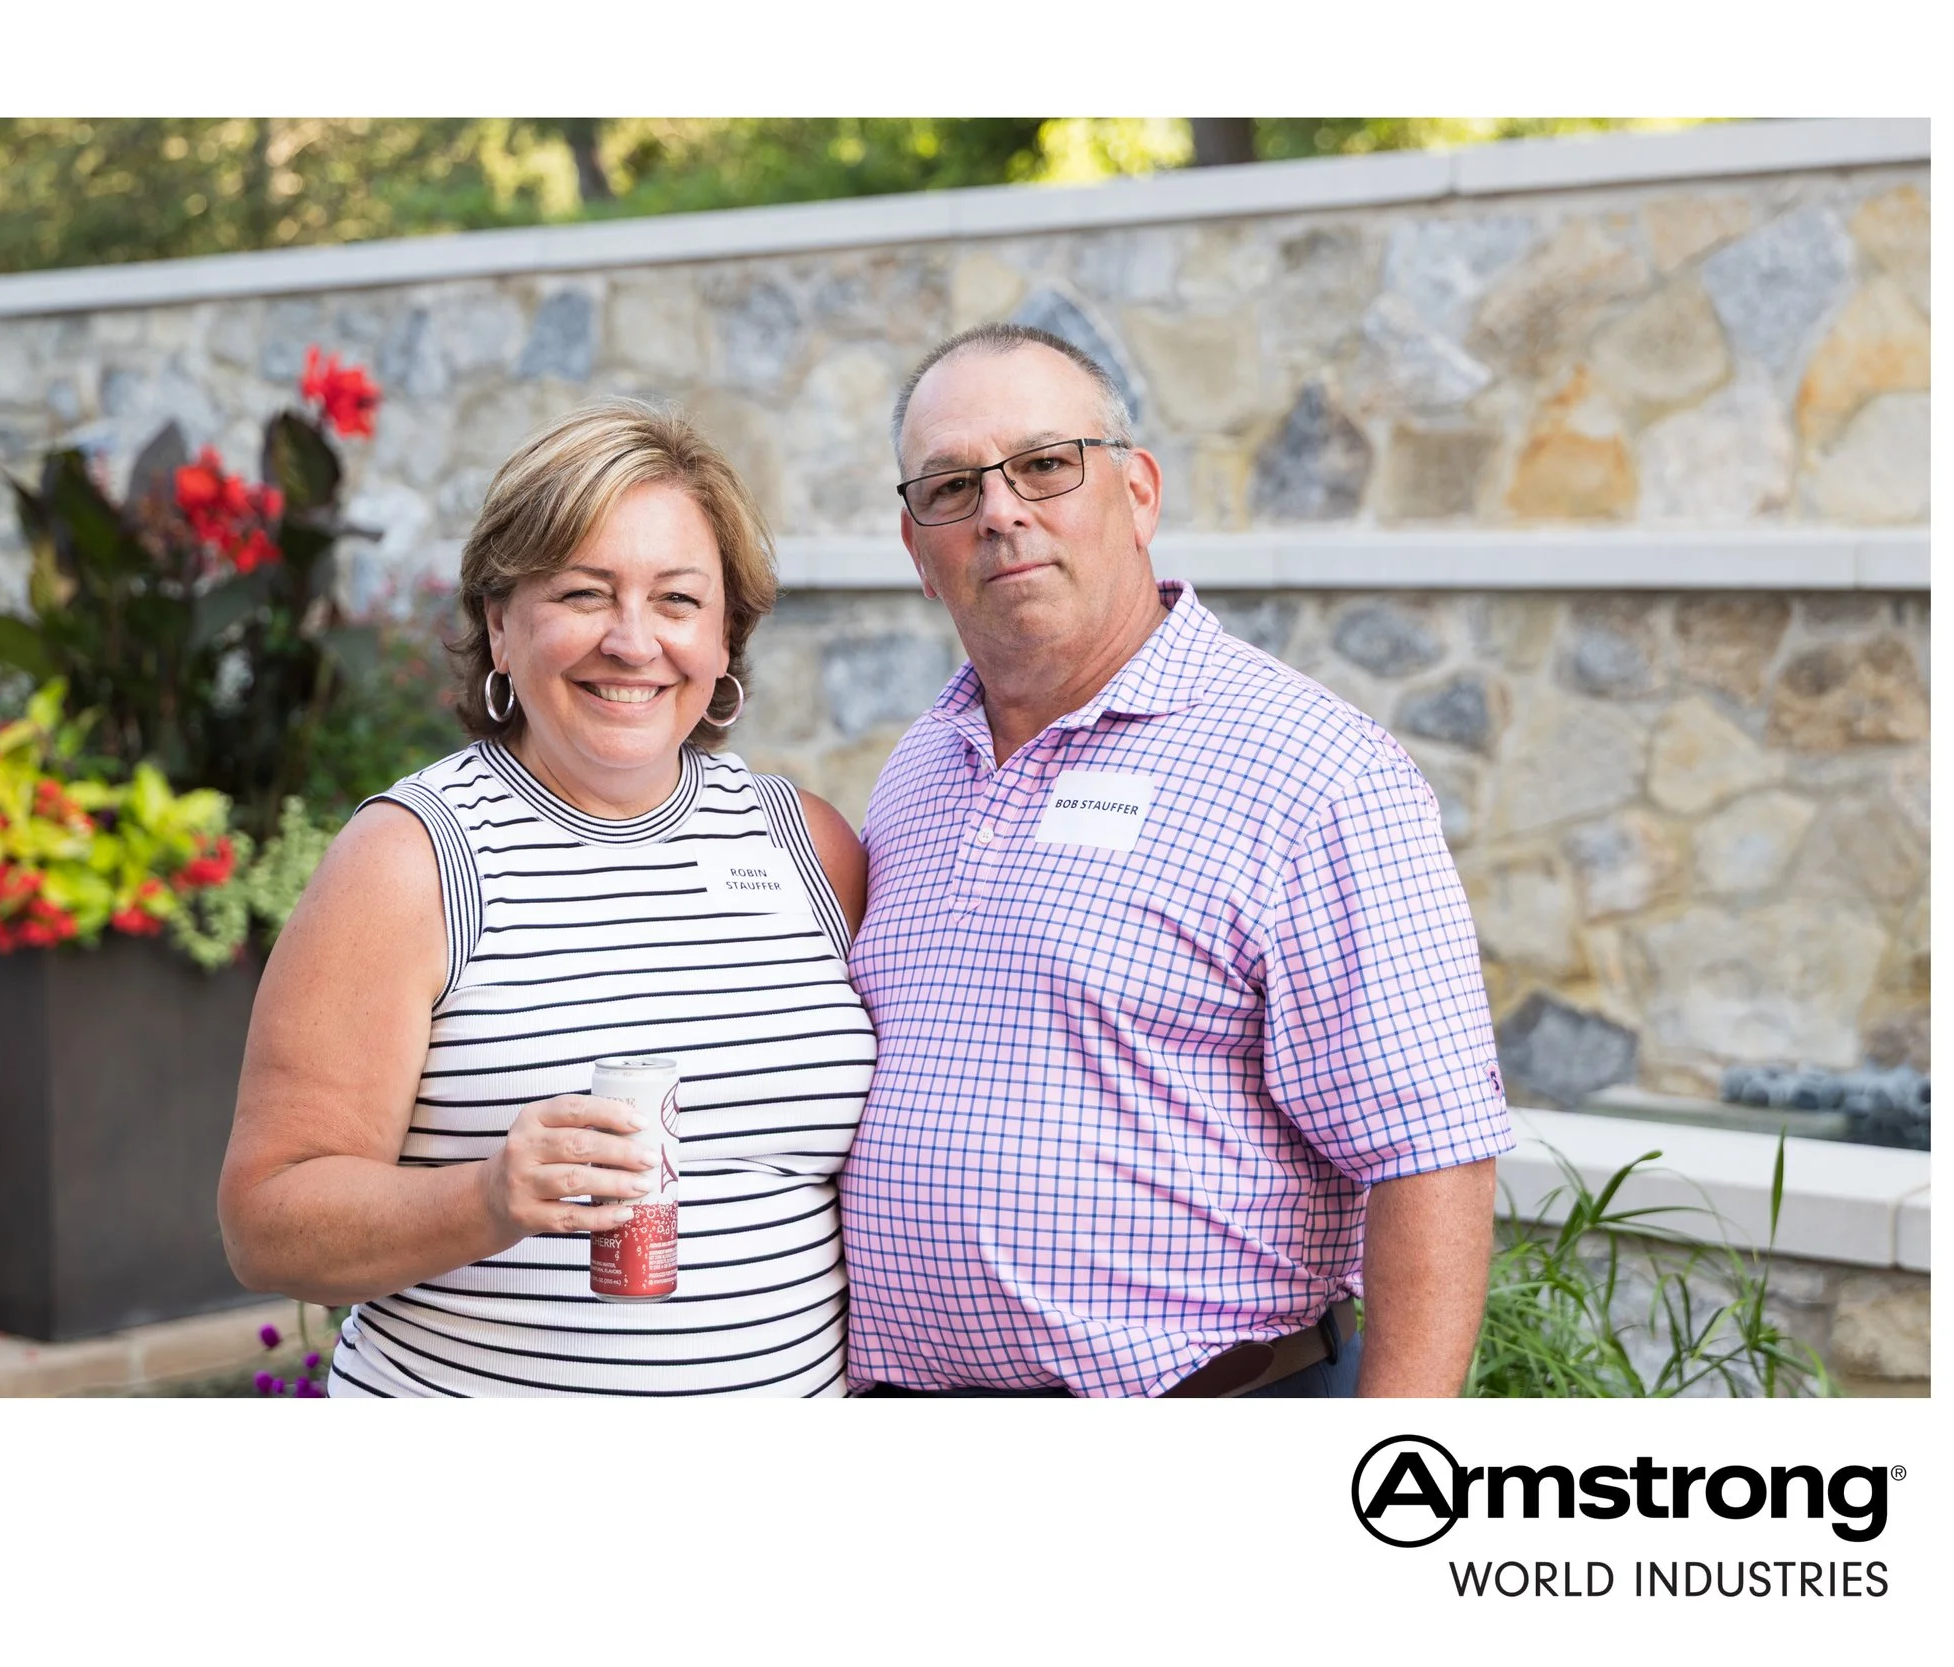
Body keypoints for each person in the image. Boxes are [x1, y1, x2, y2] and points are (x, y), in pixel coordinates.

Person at [840, 324, 1514, 1398]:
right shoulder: (922, 764)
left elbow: (1430, 1150)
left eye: (1045, 465)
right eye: (951, 487)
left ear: (1138, 492)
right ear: (919, 549)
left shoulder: (1313, 770)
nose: (1001, 510)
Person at [219, 400, 873, 1397]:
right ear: (499, 621)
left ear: (725, 631)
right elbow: (266, 1222)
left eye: (676, 600)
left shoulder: (809, 846)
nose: (631, 639)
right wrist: (487, 1197)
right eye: (582, 591)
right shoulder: (413, 860)